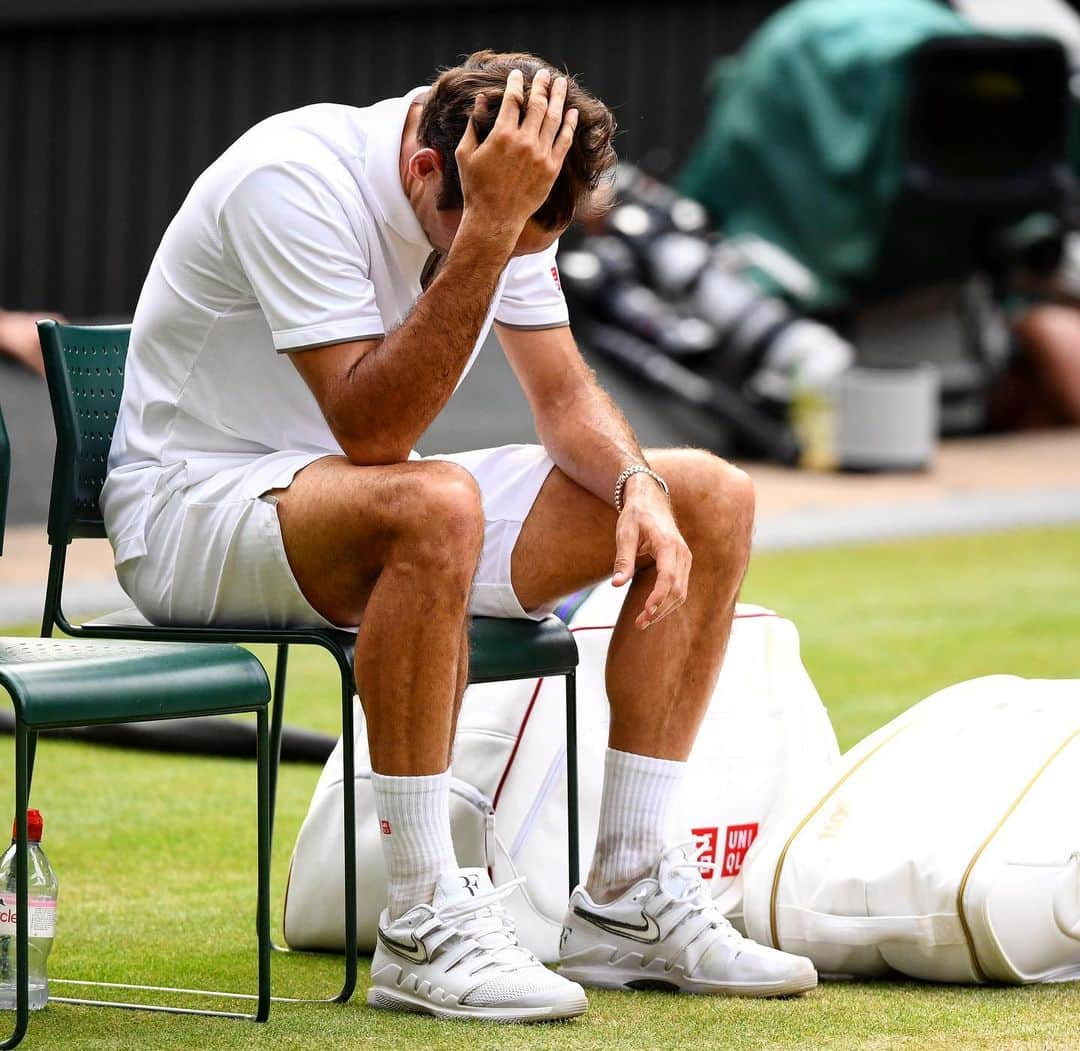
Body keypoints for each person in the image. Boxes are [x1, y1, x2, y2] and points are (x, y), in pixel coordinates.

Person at [101, 50, 817, 1022]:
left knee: (706, 493)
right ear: (426, 171)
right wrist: (486, 230)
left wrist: (639, 482)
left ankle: (630, 892)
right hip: (188, 512)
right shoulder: (294, 177)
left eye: (532, 237)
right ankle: (423, 919)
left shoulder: (506, 191)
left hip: (356, 500)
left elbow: (564, 399)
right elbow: (373, 431)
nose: (514, 248)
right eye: (494, 222)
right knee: (433, 502)